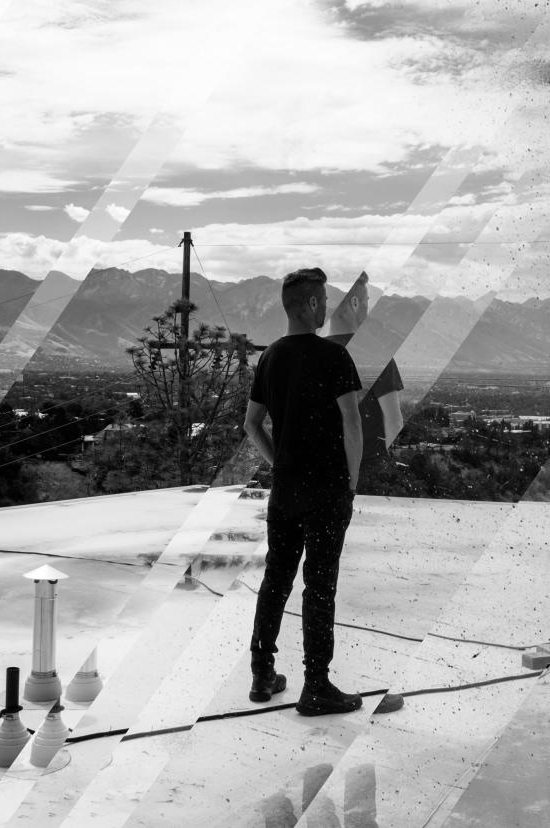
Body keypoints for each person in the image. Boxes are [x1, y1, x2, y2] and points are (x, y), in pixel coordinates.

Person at [243, 267, 365, 716]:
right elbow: (352, 424)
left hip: (286, 492)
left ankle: (262, 673)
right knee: (319, 586)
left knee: (276, 578)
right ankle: (316, 685)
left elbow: (251, 425)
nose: (328, 307)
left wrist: (281, 464)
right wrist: (351, 484)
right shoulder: (333, 357)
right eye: (325, 300)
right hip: (326, 491)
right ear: (312, 304)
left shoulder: (270, 357)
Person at [325, 271, 404, 491]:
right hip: (366, 472)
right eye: (368, 301)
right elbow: (395, 421)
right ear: (354, 302)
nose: (368, 309)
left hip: (319, 469)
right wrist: (372, 460)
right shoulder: (375, 355)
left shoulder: (309, 353)